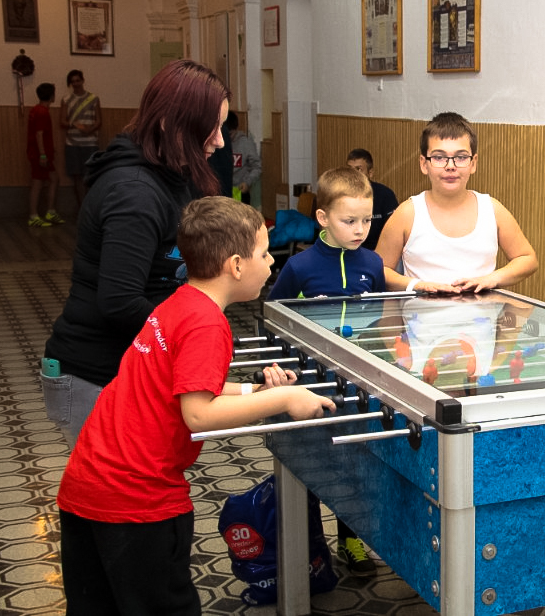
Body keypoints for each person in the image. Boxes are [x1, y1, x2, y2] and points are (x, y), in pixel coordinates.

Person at [57, 196, 336, 616]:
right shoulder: (208, 323)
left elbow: (183, 387)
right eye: (264, 254)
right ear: (236, 265)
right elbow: (198, 414)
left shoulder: (179, 303)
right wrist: (285, 398)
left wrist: (254, 391)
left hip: (88, 484)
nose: (271, 264)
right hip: (136, 500)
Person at [42, 59, 229, 449]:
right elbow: (120, 301)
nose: (219, 141)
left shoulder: (172, 175)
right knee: (112, 485)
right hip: (95, 371)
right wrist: (192, 335)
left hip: (129, 363)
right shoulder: (135, 192)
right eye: (210, 129)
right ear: (170, 124)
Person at [267, 166, 384, 576]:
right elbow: (275, 318)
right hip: (310, 382)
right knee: (314, 460)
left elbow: (382, 317)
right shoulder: (299, 267)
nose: (360, 229)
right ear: (323, 217)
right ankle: (308, 544)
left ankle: (350, 538)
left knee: (354, 460)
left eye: (367, 220)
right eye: (349, 220)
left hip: (357, 382)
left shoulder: (373, 263)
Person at [376, 111, 538, 293]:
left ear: (473, 163)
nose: (450, 166)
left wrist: (492, 279)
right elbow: (380, 269)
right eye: (439, 157)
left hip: (482, 311)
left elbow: (527, 258)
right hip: (422, 310)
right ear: (424, 164)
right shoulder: (407, 213)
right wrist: (418, 285)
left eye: (461, 157)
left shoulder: (492, 210)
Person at [59, 69, 102, 209]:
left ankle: (90, 207)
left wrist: (90, 129)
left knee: (90, 175)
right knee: (77, 176)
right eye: (73, 82)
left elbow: (98, 120)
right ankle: (82, 206)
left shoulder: (93, 98)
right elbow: (62, 121)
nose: (76, 84)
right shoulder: (66, 99)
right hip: (72, 143)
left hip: (90, 143)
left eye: (78, 81)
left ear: (83, 80)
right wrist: (75, 125)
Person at [26, 82, 63, 227]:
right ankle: (33, 215)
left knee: (54, 178)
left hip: (42, 153)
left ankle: (50, 211)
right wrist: (42, 154)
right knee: (37, 183)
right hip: (40, 155)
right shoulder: (42, 112)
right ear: (52, 96)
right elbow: (39, 134)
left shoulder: (36, 110)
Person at [346, 148, 398, 250]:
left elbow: (394, 233)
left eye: (358, 169)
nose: (353, 174)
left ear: (370, 173)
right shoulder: (339, 196)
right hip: (347, 251)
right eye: (349, 169)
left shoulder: (385, 195)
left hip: (377, 251)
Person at [228, 110, 261, 206]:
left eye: (230, 134)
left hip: (241, 192)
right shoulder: (219, 144)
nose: (228, 138)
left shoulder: (246, 143)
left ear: (236, 129)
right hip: (223, 192)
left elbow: (257, 167)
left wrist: (247, 182)